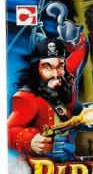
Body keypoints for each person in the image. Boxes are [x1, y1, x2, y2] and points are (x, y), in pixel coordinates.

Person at [8, 28, 88, 157]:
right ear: (36, 69)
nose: (56, 74)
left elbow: (80, 50)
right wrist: (30, 140)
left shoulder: (66, 78)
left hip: (67, 154)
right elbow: (8, 130)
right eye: (47, 67)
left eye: (60, 66)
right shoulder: (26, 97)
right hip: (40, 161)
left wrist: (74, 36)